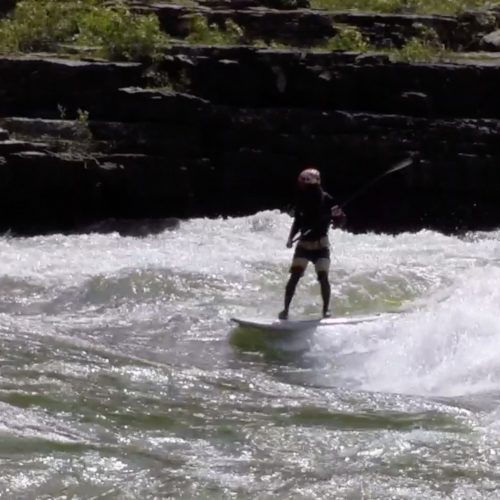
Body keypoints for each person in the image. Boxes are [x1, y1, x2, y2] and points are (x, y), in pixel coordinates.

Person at [279, 167, 346, 320]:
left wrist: (338, 220)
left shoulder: (327, 199)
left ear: (311, 183)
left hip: (321, 245)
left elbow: (341, 220)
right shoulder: (301, 199)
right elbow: (297, 221)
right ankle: (285, 310)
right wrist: (290, 238)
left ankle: (325, 311)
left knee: (323, 277)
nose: (300, 185)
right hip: (303, 244)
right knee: (294, 276)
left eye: (303, 182)